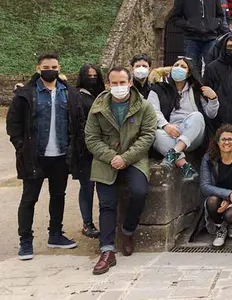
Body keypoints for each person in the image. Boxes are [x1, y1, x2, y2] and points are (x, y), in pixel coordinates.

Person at [8, 53, 81, 260]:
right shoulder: (26, 94)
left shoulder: (69, 93)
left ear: (60, 68)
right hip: (34, 155)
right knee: (29, 198)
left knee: (58, 196)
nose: (52, 69)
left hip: (60, 155)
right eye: (47, 66)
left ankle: (55, 234)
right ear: (38, 68)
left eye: (55, 66)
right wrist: (21, 147)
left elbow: (77, 121)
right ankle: (25, 241)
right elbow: (13, 124)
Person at [85, 66, 156, 275]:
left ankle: (127, 230)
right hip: (106, 159)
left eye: (122, 82)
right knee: (107, 204)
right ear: (107, 84)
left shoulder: (143, 106)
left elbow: (147, 136)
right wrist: (111, 157)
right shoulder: (97, 107)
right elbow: (91, 137)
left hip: (134, 158)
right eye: (114, 83)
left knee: (139, 192)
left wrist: (125, 158)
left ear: (130, 83)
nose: (118, 87)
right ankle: (107, 251)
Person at [148, 57, 218, 181]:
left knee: (197, 116)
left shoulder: (196, 90)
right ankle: (186, 167)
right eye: (176, 65)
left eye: (183, 67)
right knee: (156, 134)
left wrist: (213, 99)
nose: (178, 68)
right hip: (170, 132)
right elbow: (153, 111)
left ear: (189, 72)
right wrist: (166, 126)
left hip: (193, 134)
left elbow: (210, 114)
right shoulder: (158, 89)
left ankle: (173, 153)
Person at [169, 0, 228, 71]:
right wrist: (188, 25)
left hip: (210, 38)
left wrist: (215, 24)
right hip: (192, 38)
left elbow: (220, 15)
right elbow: (175, 18)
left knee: (211, 67)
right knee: (192, 68)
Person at [74, 63, 105, 239]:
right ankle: (87, 223)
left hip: (103, 148)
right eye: (88, 76)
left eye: (95, 76)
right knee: (87, 187)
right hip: (85, 149)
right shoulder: (78, 97)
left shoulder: (102, 95)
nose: (92, 79)